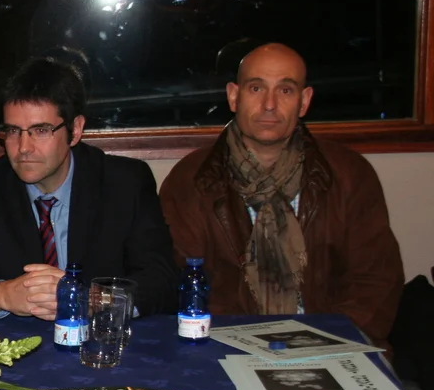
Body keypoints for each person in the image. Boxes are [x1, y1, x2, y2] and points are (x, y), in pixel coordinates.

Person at [159, 43, 404, 349]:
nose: (270, 104)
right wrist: (247, 345)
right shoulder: (191, 180)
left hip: (332, 344)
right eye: (256, 88)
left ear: (304, 101)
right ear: (234, 96)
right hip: (226, 347)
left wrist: (317, 344)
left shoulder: (350, 174)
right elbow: (179, 285)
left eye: (285, 90)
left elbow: (376, 284)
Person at [0, 55, 178, 319]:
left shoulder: (124, 182)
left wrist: (90, 299)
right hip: (11, 341)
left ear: (75, 130)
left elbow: (163, 282)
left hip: (98, 338)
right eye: (13, 131)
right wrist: (1, 295)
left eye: (41, 130)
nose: (23, 148)